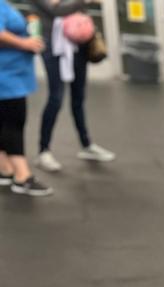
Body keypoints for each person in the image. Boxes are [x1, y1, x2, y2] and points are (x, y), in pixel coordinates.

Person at [30, 0, 114, 172]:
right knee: (56, 99)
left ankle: (86, 144)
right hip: (54, 49)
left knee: (78, 98)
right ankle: (43, 151)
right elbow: (57, 11)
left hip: (77, 46)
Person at [0, 0, 52, 196]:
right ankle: (22, 177)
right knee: (14, 122)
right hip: (6, 77)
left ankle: (5, 169)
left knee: (4, 122)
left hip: (10, 74)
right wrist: (24, 43)